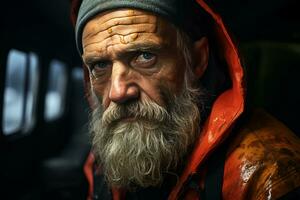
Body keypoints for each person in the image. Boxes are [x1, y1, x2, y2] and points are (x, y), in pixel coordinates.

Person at [70, 0, 300, 199]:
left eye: (145, 56)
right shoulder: (106, 159)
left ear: (197, 59)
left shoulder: (268, 171)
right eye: (100, 65)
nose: (118, 92)